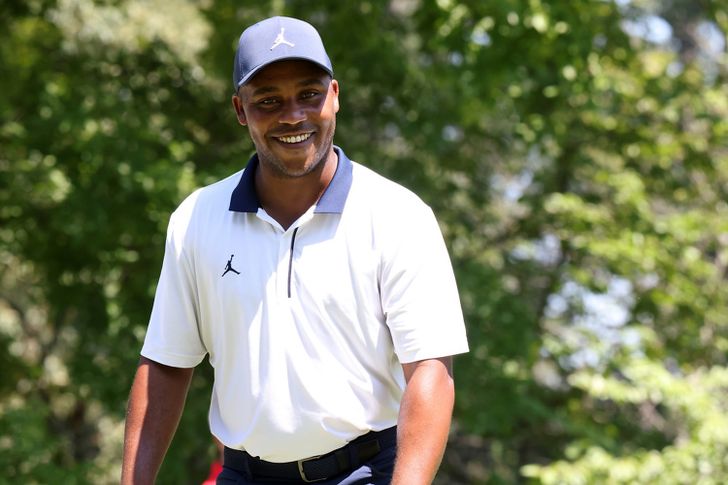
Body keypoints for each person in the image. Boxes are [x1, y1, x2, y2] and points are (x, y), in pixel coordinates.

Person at [121, 15, 468, 485]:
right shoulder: (196, 219)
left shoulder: (398, 214)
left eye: (309, 94)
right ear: (240, 110)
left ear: (335, 96)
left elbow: (430, 371)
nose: (292, 116)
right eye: (268, 100)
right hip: (244, 474)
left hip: (366, 472)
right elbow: (166, 364)